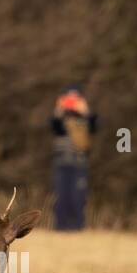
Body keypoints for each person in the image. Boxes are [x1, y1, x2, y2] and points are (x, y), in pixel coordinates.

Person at [49, 84, 96, 231]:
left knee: (78, 197)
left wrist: (85, 112)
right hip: (62, 163)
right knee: (61, 196)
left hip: (79, 163)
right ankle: (60, 227)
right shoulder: (61, 120)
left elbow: (94, 127)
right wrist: (59, 110)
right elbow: (54, 126)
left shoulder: (86, 119)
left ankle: (77, 227)